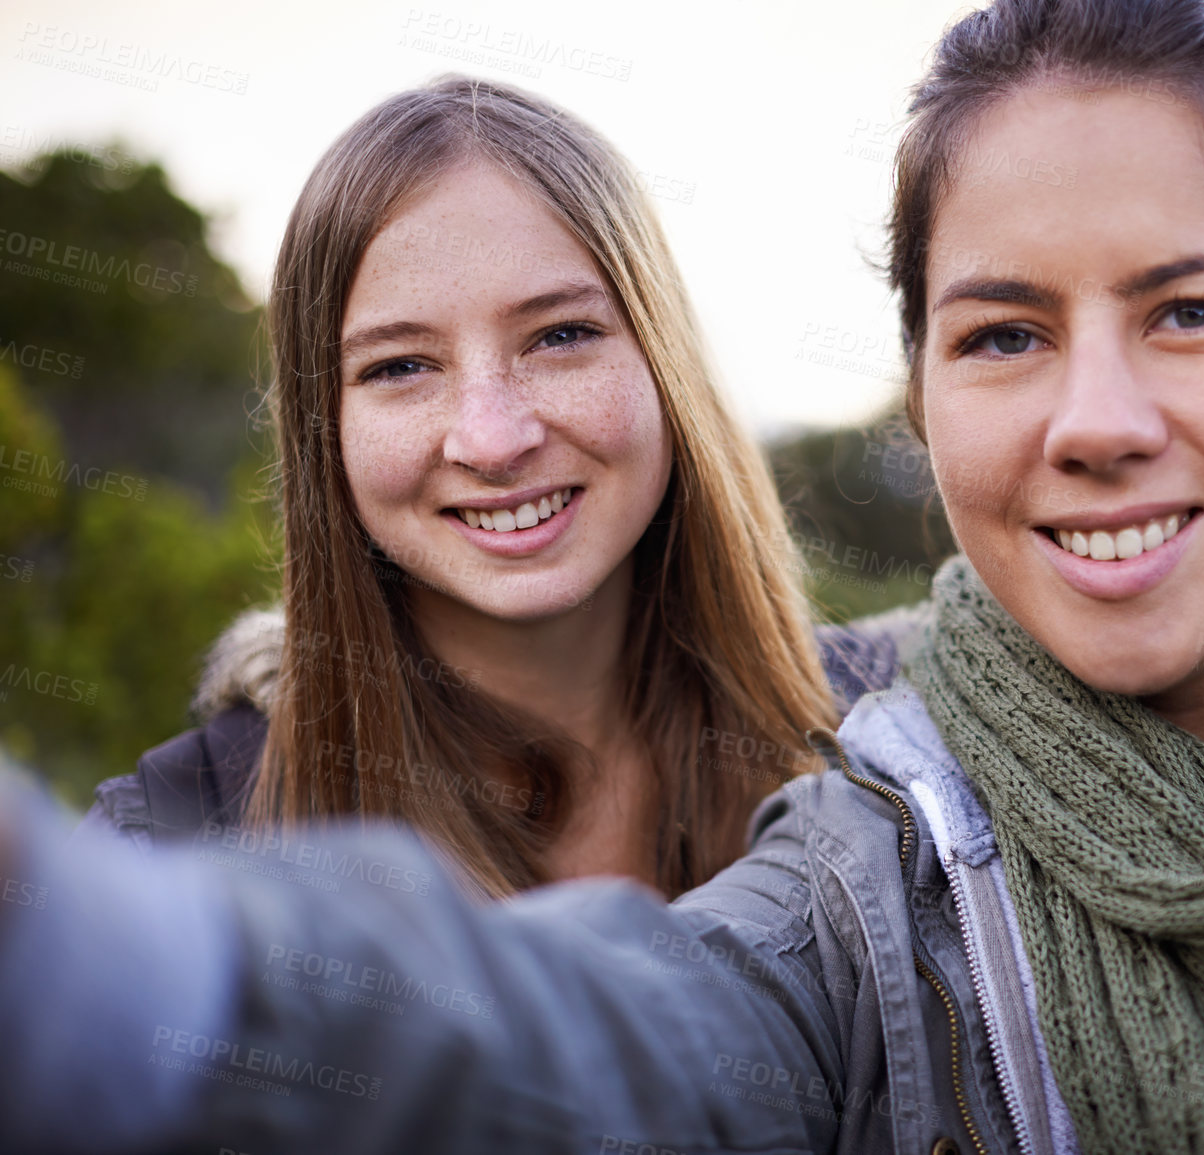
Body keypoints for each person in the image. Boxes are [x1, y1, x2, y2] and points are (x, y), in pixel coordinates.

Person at [1, 2, 1204, 1152]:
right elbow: (632, 1039)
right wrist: (115, 969)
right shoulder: (884, 853)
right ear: (924, 392)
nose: (1096, 419)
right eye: (1004, 333)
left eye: (1189, 309)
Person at [71, 76, 909, 899]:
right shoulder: (163, 858)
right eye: (400, 365)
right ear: (323, 425)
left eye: (559, 335)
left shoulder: (891, 750)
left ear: (664, 363)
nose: (495, 439)